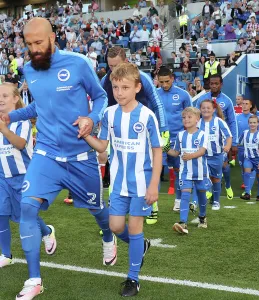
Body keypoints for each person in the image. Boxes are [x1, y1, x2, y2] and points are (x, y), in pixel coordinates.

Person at [0, 18, 117, 299]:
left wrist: (91, 117)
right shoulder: (29, 69)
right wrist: (10, 115)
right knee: (28, 208)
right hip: (47, 154)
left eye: (39, 42)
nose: (34, 49)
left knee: (97, 209)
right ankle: (35, 280)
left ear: (53, 37)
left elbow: (100, 97)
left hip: (80, 156)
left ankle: (108, 235)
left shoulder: (77, 64)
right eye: (29, 44)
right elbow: (39, 106)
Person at [84, 63, 162, 297]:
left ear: (137, 87)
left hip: (141, 183)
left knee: (136, 227)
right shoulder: (109, 114)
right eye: (116, 87)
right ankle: (142, 246)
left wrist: (153, 185)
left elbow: (158, 151)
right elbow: (103, 148)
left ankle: (133, 279)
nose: (119, 92)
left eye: (125, 87)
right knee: (116, 226)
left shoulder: (147, 116)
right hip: (118, 183)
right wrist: (87, 136)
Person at [101, 47, 169, 225]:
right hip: (117, 127)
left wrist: (164, 129)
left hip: (141, 130)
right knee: (116, 164)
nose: (113, 69)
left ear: (125, 60)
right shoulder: (106, 80)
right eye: (110, 66)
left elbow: (157, 102)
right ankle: (115, 212)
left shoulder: (142, 78)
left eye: (116, 65)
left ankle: (151, 205)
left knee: (143, 165)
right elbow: (101, 102)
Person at [0, 83, 56, 270]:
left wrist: (4, 129)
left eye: (5, 95)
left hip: (23, 175)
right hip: (2, 177)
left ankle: (47, 232)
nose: (0, 99)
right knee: (1, 213)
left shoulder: (21, 122)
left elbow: (20, 144)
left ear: (16, 99)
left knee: (27, 214)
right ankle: (6, 254)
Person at [167, 107, 211, 233]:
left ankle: (202, 217)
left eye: (189, 117)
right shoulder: (180, 135)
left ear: (197, 119)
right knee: (185, 194)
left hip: (200, 172)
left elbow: (202, 151)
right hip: (185, 172)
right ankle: (183, 222)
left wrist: (190, 156)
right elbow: (176, 153)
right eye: (184, 117)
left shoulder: (203, 134)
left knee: (202, 195)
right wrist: (164, 148)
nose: (186, 119)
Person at [157, 66, 192, 211]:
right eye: (161, 82)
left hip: (177, 139)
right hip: (158, 139)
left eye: (167, 81)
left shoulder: (183, 95)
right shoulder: (154, 94)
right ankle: (154, 204)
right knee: (155, 171)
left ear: (172, 78)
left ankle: (178, 201)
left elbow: (191, 116)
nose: (164, 85)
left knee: (178, 170)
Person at [198, 100, 232, 210]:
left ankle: (216, 201)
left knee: (216, 179)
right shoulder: (198, 122)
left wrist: (227, 146)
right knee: (204, 175)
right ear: (200, 109)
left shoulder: (219, 122)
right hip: (202, 156)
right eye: (203, 108)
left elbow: (228, 136)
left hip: (217, 155)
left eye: (208, 108)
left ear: (213, 110)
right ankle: (207, 191)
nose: (206, 110)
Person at [239, 115, 259, 201]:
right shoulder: (245, 133)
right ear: (248, 124)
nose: (252, 124)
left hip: (258, 159)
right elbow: (239, 142)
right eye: (251, 122)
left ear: (258, 123)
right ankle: (247, 193)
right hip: (248, 158)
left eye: (254, 122)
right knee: (246, 173)